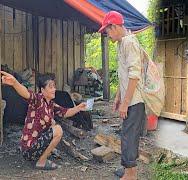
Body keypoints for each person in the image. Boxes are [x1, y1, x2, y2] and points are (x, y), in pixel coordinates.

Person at [0, 71, 87, 170]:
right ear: (42, 90)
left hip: (38, 145)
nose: (54, 89)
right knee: (57, 129)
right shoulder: (38, 100)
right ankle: (41, 162)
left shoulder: (51, 104)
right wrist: (15, 82)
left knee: (54, 125)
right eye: (50, 87)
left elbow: (65, 112)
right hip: (29, 149)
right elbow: (26, 93)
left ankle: (41, 157)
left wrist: (78, 108)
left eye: (54, 86)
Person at [98, 11, 146, 180]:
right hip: (128, 99)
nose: (107, 34)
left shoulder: (130, 43)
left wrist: (126, 103)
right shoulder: (121, 43)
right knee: (127, 135)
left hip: (135, 101)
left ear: (116, 27)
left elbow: (134, 75)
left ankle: (131, 175)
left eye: (108, 30)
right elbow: (123, 75)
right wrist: (119, 95)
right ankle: (128, 170)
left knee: (129, 136)